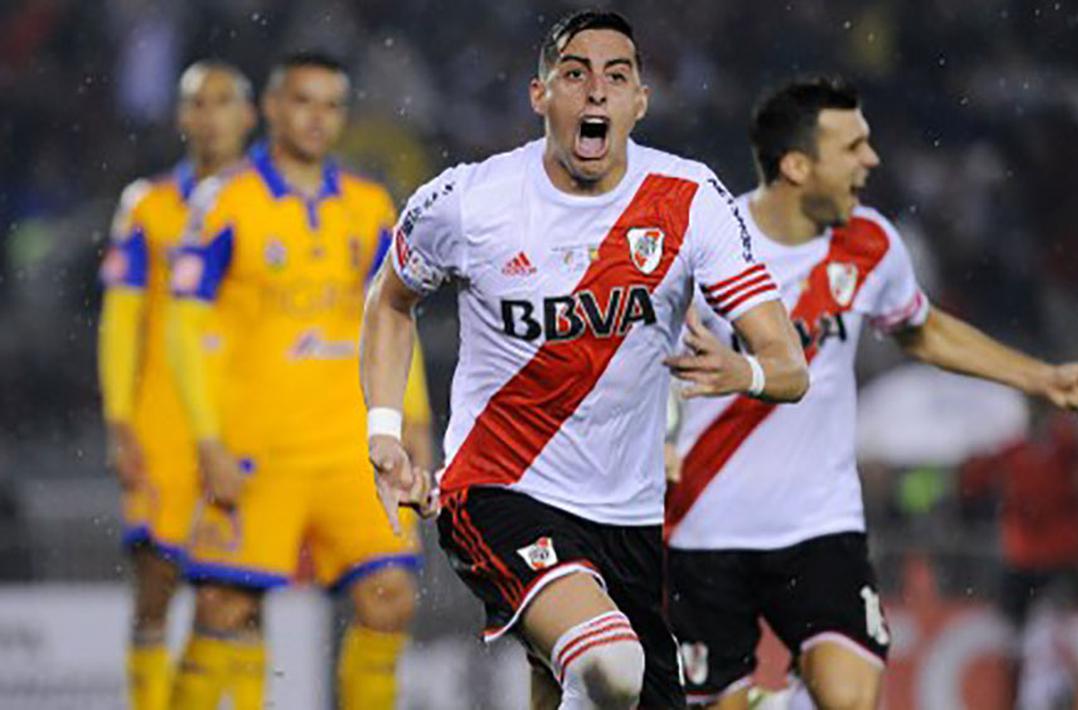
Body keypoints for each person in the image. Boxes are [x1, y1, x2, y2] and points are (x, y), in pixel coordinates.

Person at [359, 10, 808, 709]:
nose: (596, 90)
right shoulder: (468, 202)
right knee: (609, 664)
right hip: (498, 489)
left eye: (616, 76)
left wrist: (742, 370)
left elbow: (790, 366)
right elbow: (389, 303)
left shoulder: (689, 201)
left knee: (587, 683)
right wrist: (384, 431)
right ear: (539, 95)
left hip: (628, 517)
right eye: (575, 74)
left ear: (640, 101)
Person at [664, 77, 1078, 710]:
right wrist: (654, 442)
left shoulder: (870, 243)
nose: (870, 160)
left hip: (820, 523)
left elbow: (922, 331)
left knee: (849, 699)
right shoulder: (707, 245)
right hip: (703, 525)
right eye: (851, 147)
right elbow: (634, 359)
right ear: (796, 166)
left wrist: (1037, 376)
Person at [165, 52, 431, 709]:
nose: (317, 119)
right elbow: (182, 326)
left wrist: (415, 420)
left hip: (349, 451)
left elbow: (395, 318)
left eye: (331, 105)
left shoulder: (369, 205)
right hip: (258, 450)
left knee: (389, 599)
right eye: (303, 102)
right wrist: (207, 440)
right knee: (223, 608)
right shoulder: (225, 201)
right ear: (273, 108)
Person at [97, 59, 255, 710]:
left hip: (246, 416)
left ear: (249, 115)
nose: (209, 115)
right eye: (198, 102)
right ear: (181, 116)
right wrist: (119, 419)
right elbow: (120, 320)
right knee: (155, 584)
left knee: (241, 593)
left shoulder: (267, 203)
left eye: (222, 101)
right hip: (163, 422)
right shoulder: (148, 205)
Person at [959, 404, 1078, 708]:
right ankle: (1032, 695)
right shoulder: (1027, 447)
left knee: (1048, 632)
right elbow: (973, 482)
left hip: (1050, 559)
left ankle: (1047, 693)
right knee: (1026, 635)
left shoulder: (1062, 445)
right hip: (1038, 559)